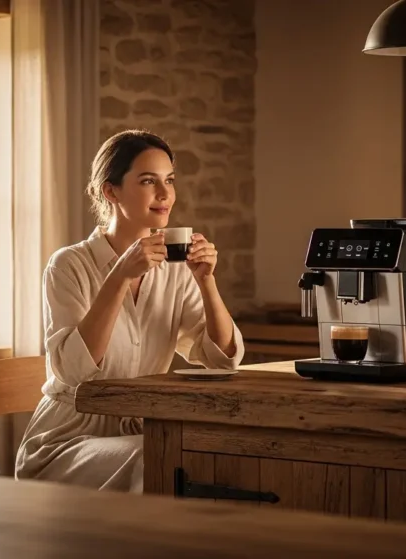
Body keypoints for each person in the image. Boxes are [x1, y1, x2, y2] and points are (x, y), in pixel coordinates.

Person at [14, 129, 245, 492]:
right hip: (66, 443)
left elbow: (223, 360)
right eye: (148, 181)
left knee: (205, 454)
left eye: (169, 180)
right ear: (111, 191)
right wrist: (120, 275)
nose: (165, 194)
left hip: (144, 434)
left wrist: (206, 282)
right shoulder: (69, 265)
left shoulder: (174, 269)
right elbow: (74, 372)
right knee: (162, 458)